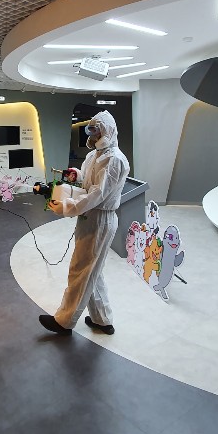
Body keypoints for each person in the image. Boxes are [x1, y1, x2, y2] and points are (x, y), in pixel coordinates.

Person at [40, 110, 130, 336]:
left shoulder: (115, 160)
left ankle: (64, 321)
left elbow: (97, 194)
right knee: (92, 271)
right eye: (91, 130)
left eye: (96, 130)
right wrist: (76, 175)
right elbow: (89, 182)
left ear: (107, 131)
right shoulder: (94, 155)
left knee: (81, 270)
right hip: (89, 217)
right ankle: (102, 319)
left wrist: (67, 207)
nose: (92, 134)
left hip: (100, 219)